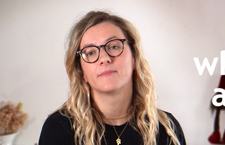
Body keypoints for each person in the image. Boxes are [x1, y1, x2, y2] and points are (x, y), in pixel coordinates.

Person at [39, 10, 186, 145]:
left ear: (134, 59)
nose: (104, 58)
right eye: (90, 52)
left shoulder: (167, 129)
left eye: (114, 46)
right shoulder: (58, 129)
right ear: (82, 72)